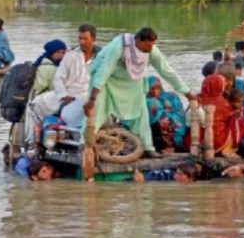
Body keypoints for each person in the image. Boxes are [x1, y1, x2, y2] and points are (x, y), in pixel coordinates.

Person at [85, 27, 195, 159]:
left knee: (140, 111)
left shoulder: (152, 51)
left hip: (132, 79)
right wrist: (92, 99)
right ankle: (86, 146)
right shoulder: (119, 48)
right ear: (137, 40)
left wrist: (188, 94)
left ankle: (148, 148)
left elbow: (167, 71)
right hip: (107, 79)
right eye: (147, 45)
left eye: (152, 45)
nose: (150, 48)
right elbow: (104, 71)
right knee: (97, 110)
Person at [27, 24, 99, 142]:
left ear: (94, 39)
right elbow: (58, 78)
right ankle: (33, 141)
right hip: (69, 94)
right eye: (80, 38)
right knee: (35, 104)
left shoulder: (101, 57)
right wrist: (63, 95)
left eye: (85, 39)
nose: (81, 42)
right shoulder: (70, 55)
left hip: (90, 96)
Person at [146, 76, 187, 152]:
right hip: (154, 125)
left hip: (171, 123)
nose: (156, 91)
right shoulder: (147, 100)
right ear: (147, 89)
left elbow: (178, 112)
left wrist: (166, 114)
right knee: (163, 120)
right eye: (152, 88)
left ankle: (172, 145)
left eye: (158, 88)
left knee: (164, 120)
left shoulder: (171, 96)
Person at [198, 74, 236, 156]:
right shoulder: (223, 103)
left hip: (196, 140)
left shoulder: (197, 98)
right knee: (232, 122)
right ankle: (227, 150)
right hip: (216, 141)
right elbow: (229, 119)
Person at [132, 162, 197, 183]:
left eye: (179, 174)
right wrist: (142, 179)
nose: (175, 176)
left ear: (189, 179)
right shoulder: (165, 175)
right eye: (176, 172)